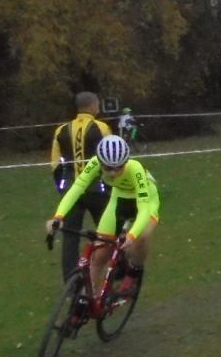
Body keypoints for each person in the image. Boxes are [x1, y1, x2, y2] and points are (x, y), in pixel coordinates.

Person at [45, 135, 159, 314]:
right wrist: (58, 217)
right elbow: (77, 188)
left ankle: (134, 271)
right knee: (99, 254)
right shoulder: (94, 163)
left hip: (146, 201)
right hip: (119, 199)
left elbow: (144, 208)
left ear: (125, 161)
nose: (112, 173)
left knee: (141, 237)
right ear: (100, 162)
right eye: (107, 168)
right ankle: (89, 298)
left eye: (118, 167)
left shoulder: (135, 168)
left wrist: (131, 236)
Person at [49, 92, 113, 281]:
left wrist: (62, 188)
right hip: (97, 189)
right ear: (92, 106)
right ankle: (115, 271)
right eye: (98, 105)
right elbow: (111, 157)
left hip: (71, 190)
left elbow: (55, 164)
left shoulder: (61, 130)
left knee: (70, 237)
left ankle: (70, 280)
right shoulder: (101, 127)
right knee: (109, 231)